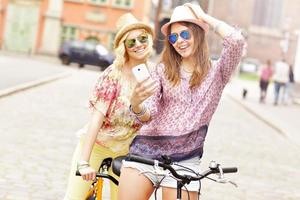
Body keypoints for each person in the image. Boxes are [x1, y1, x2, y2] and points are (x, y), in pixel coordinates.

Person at [118, 3, 245, 200]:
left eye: (185, 34)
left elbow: (236, 40)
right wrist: (136, 104)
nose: (179, 41)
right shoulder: (161, 71)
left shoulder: (218, 72)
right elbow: (148, 114)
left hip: (186, 160)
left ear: (198, 33)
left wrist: (205, 18)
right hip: (144, 153)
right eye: (174, 37)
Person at [63, 13, 155, 200]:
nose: (138, 44)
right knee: (75, 197)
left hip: (127, 153)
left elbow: (151, 118)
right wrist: (84, 162)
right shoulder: (114, 75)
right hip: (98, 145)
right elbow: (96, 121)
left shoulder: (153, 75)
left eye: (142, 38)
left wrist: (138, 105)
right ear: (124, 47)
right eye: (131, 42)